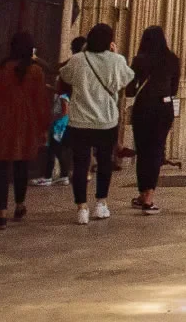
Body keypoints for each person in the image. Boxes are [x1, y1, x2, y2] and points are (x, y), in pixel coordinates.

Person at [58, 22, 134, 225]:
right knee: (104, 164)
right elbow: (128, 78)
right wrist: (116, 54)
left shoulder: (77, 59)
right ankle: (101, 204)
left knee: (81, 164)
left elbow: (64, 75)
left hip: (80, 121)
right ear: (110, 41)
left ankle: (81, 208)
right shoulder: (116, 60)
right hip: (106, 121)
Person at [0, 30, 49, 229]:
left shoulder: (1, 68)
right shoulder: (36, 71)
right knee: (21, 165)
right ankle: (19, 204)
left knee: (0, 167)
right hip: (25, 122)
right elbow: (40, 101)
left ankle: (1, 214)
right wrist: (43, 126)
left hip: (1, 121)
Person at [128, 25, 180, 214]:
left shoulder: (140, 60)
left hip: (143, 108)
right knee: (156, 151)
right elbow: (174, 89)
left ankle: (143, 193)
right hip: (164, 108)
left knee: (143, 151)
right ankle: (149, 197)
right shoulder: (172, 60)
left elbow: (130, 89)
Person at [35, 36, 86, 186]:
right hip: (74, 107)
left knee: (55, 145)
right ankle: (65, 174)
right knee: (60, 145)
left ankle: (49, 176)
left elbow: (53, 68)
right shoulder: (85, 63)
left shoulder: (75, 61)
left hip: (65, 107)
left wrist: (36, 59)